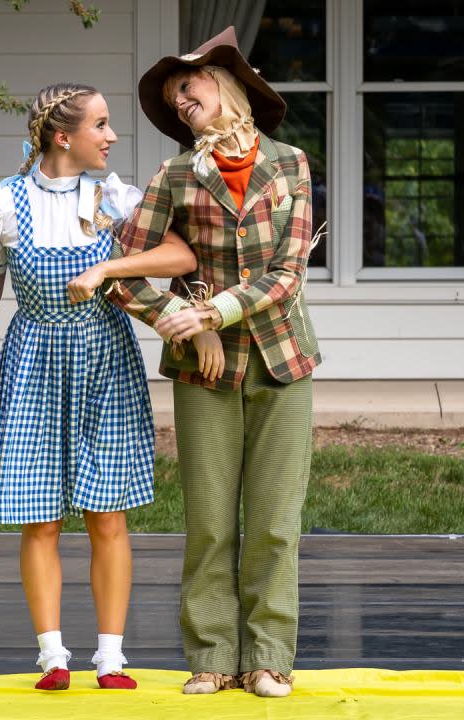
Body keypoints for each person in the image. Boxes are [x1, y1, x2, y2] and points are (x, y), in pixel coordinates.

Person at [0, 83, 203, 691]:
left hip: (104, 358)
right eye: (101, 124)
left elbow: (179, 257)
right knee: (39, 518)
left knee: (107, 516)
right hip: (34, 362)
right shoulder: (4, 201)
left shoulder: (113, 196)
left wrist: (107, 267)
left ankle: (111, 657)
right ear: (63, 136)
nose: (112, 136)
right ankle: (52, 655)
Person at [92, 27, 322, 698]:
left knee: (276, 522)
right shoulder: (173, 175)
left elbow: (287, 275)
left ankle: (270, 658)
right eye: (171, 96)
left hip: (282, 357)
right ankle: (214, 657)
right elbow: (124, 269)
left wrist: (215, 312)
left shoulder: (291, 165)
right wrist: (180, 323)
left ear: (227, 85)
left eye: (185, 86)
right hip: (204, 370)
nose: (179, 99)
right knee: (211, 521)